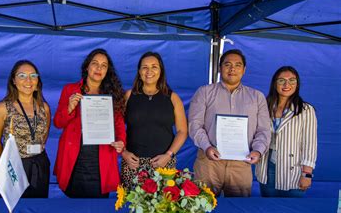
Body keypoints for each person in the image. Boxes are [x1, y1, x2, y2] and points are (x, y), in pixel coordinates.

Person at [188, 49, 270, 197]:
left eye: (238, 65)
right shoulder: (204, 92)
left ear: (244, 70)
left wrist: (257, 150)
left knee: (239, 211)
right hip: (209, 163)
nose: (232, 69)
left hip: (242, 164)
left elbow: (263, 130)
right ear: (220, 68)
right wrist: (207, 147)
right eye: (227, 64)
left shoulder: (257, 97)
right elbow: (195, 125)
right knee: (201, 208)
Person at [54, 48, 126, 198]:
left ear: (107, 71)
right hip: (74, 160)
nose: (99, 68)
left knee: (97, 207)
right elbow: (58, 123)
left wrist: (121, 142)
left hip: (101, 160)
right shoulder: (70, 90)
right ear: (87, 66)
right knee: (72, 210)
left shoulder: (113, 95)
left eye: (104, 65)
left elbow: (119, 126)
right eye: (95, 63)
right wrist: (69, 108)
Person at [121, 52, 188, 189]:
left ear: (161, 70)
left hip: (163, 164)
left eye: (154, 67)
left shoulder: (173, 98)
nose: (149, 71)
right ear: (139, 71)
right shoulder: (128, 96)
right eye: (144, 67)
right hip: (133, 164)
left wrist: (168, 155)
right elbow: (116, 129)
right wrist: (124, 153)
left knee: (162, 208)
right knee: (132, 207)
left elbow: (182, 131)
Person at [0, 60, 51, 198]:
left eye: (33, 75)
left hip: (39, 165)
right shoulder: (2, 108)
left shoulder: (44, 108)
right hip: (14, 166)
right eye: (22, 75)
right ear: (14, 81)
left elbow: (44, 134)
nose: (28, 80)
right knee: (12, 210)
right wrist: (9, 161)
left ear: (37, 81)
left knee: (37, 207)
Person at [255, 66, 317, 197]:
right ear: (275, 83)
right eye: (281, 80)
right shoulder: (264, 106)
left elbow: (310, 144)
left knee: (292, 210)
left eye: (292, 80)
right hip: (267, 166)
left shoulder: (306, 110)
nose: (286, 84)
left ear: (297, 84)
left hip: (294, 169)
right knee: (268, 209)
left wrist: (307, 174)